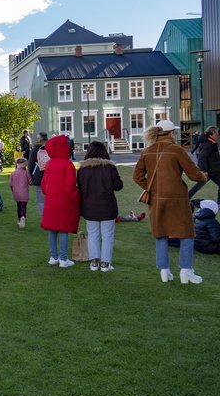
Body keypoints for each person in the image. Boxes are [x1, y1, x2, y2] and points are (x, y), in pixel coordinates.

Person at [133, 120, 207, 284]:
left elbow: (137, 176)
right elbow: (194, 174)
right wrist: (203, 176)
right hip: (177, 198)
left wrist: (152, 190)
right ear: (171, 133)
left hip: (157, 199)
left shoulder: (146, 151)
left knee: (161, 234)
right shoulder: (176, 150)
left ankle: (164, 271)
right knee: (186, 233)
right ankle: (186, 271)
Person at [77, 141, 123, 272]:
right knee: (107, 235)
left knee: (93, 234)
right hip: (107, 206)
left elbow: (80, 187)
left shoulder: (83, 169)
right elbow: (118, 186)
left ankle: (94, 262)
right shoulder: (110, 168)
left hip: (89, 206)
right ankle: (105, 263)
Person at [40, 134, 80, 269]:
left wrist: (50, 193)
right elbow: (70, 187)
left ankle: (54, 256)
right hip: (64, 201)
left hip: (51, 200)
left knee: (52, 229)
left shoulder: (50, 163)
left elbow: (44, 184)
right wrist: (77, 199)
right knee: (63, 229)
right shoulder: (68, 165)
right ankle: (63, 259)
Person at [188, 126, 220, 201]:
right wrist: (204, 171)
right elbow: (202, 157)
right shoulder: (209, 144)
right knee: (198, 186)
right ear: (212, 134)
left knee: (198, 186)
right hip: (209, 171)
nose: (218, 134)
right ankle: (186, 198)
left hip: (214, 170)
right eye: (216, 133)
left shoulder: (211, 143)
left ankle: (219, 203)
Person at [28, 132, 49, 215]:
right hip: (50, 175)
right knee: (49, 198)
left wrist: (31, 175)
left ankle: (44, 218)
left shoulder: (35, 149)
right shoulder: (50, 148)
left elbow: (31, 164)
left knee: (40, 199)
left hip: (38, 175)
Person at [9, 157, 33, 228]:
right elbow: (30, 182)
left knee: (18, 206)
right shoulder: (26, 173)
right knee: (23, 206)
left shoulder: (13, 173)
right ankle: (23, 217)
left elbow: (10, 184)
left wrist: (13, 191)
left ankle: (19, 219)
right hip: (24, 193)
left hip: (16, 193)